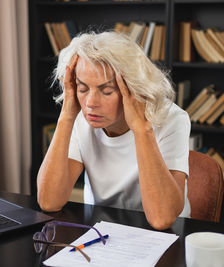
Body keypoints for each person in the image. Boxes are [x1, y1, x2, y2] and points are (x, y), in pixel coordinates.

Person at [37, 31, 191, 230]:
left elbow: (162, 219)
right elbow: (49, 201)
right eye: (83, 89)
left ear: (134, 88)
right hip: (103, 232)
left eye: (106, 91)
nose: (91, 103)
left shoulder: (173, 120)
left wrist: (142, 130)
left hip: (165, 236)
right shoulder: (80, 117)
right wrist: (66, 116)